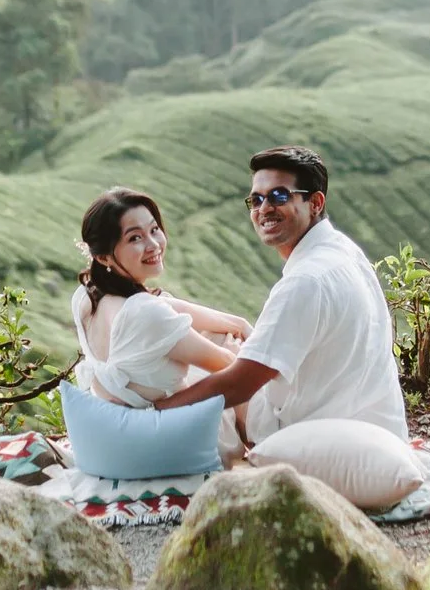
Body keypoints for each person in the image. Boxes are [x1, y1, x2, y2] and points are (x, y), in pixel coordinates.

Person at [152, 145, 407, 445]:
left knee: (198, 361)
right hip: (371, 421)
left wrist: (156, 411)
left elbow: (240, 385)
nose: (264, 208)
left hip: (312, 433)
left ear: (315, 202)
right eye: (256, 199)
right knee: (223, 342)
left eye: (279, 196)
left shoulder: (306, 281)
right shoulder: (344, 251)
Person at [70, 187, 250, 406]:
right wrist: (231, 351)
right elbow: (233, 369)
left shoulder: (86, 296)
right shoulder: (144, 313)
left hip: (131, 425)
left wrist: (241, 324)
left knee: (223, 331)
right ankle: (251, 434)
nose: (154, 245)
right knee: (233, 349)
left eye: (154, 229)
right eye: (135, 238)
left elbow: (164, 305)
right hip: (175, 431)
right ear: (104, 257)